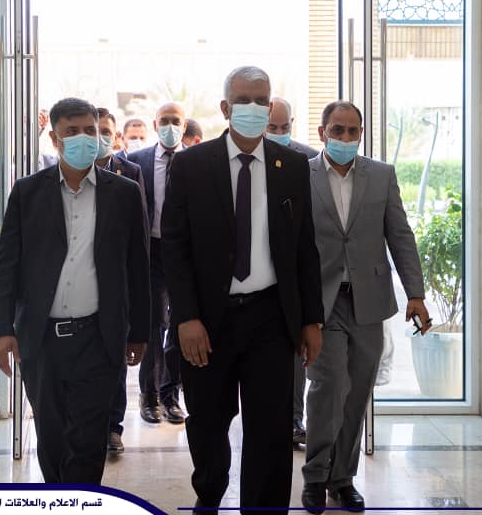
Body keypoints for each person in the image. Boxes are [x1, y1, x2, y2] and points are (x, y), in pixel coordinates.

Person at [162, 65, 323, 512]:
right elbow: (174, 248)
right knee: (208, 422)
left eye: (261, 100)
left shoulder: (292, 166)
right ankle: (209, 495)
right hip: (207, 319)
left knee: (271, 428)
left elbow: (304, 248)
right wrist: (186, 317)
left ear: (270, 108)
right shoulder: (191, 165)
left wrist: (311, 320)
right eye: (243, 100)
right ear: (225, 107)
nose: (253, 108)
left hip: (271, 317)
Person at [0, 97, 151, 484]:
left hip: (98, 337)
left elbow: (138, 267)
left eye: (90, 131)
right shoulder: (28, 193)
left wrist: (140, 332)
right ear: (54, 139)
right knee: (51, 439)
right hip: (41, 339)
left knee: (88, 442)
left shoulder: (124, 193)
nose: (83, 138)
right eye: (72, 131)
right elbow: (6, 265)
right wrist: (2, 330)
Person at [301, 100, 430, 514]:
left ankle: (342, 479)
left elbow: (400, 235)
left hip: (368, 301)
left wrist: (415, 293)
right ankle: (316, 475)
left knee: (357, 392)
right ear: (322, 133)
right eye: (337, 130)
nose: (345, 137)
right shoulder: (302, 176)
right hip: (321, 302)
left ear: (361, 134)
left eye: (352, 131)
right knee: (328, 386)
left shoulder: (381, 175)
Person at [94, 106, 150, 455]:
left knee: (114, 364)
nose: (98, 138)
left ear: (115, 137)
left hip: (116, 284)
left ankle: (113, 429)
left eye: (104, 131)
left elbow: (138, 236)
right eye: (93, 130)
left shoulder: (130, 174)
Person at [130, 102, 187, 426]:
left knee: (180, 327)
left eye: (175, 121)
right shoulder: (137, 160)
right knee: (152, 327)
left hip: (182, 254)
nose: (170, 126)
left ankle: (171, 396)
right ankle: (149, 397)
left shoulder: (194, 162)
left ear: (184, 124)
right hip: (150, 252)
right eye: (164, 120)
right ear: (155, 125)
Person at [265, 96, 317, 447]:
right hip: (256, 277)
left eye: (285, 127)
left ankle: (294, 419)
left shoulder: (307, 160)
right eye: (273, 127)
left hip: (293, 277)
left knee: (295, 357)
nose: (280, 132)